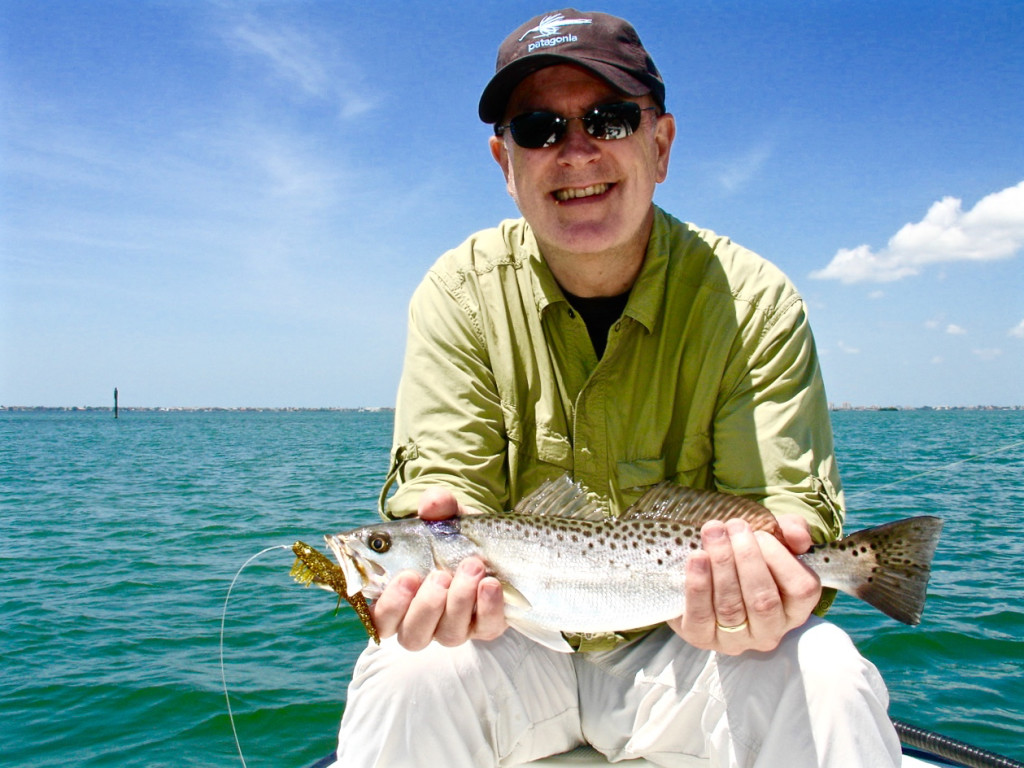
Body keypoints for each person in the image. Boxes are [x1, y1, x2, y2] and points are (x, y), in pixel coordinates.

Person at [331, 9, 901, 767]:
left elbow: (780, 506)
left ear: (659, 145)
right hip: (512, 644)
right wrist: (426, 538)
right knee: (406, 675)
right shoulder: (458, 293)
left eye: (608, 118)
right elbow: (442, 484)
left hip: (690, 645)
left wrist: (773, 576)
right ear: (505, 162)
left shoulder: (753, 299)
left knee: (827, 675)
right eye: (538, 128)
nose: (575, 152)